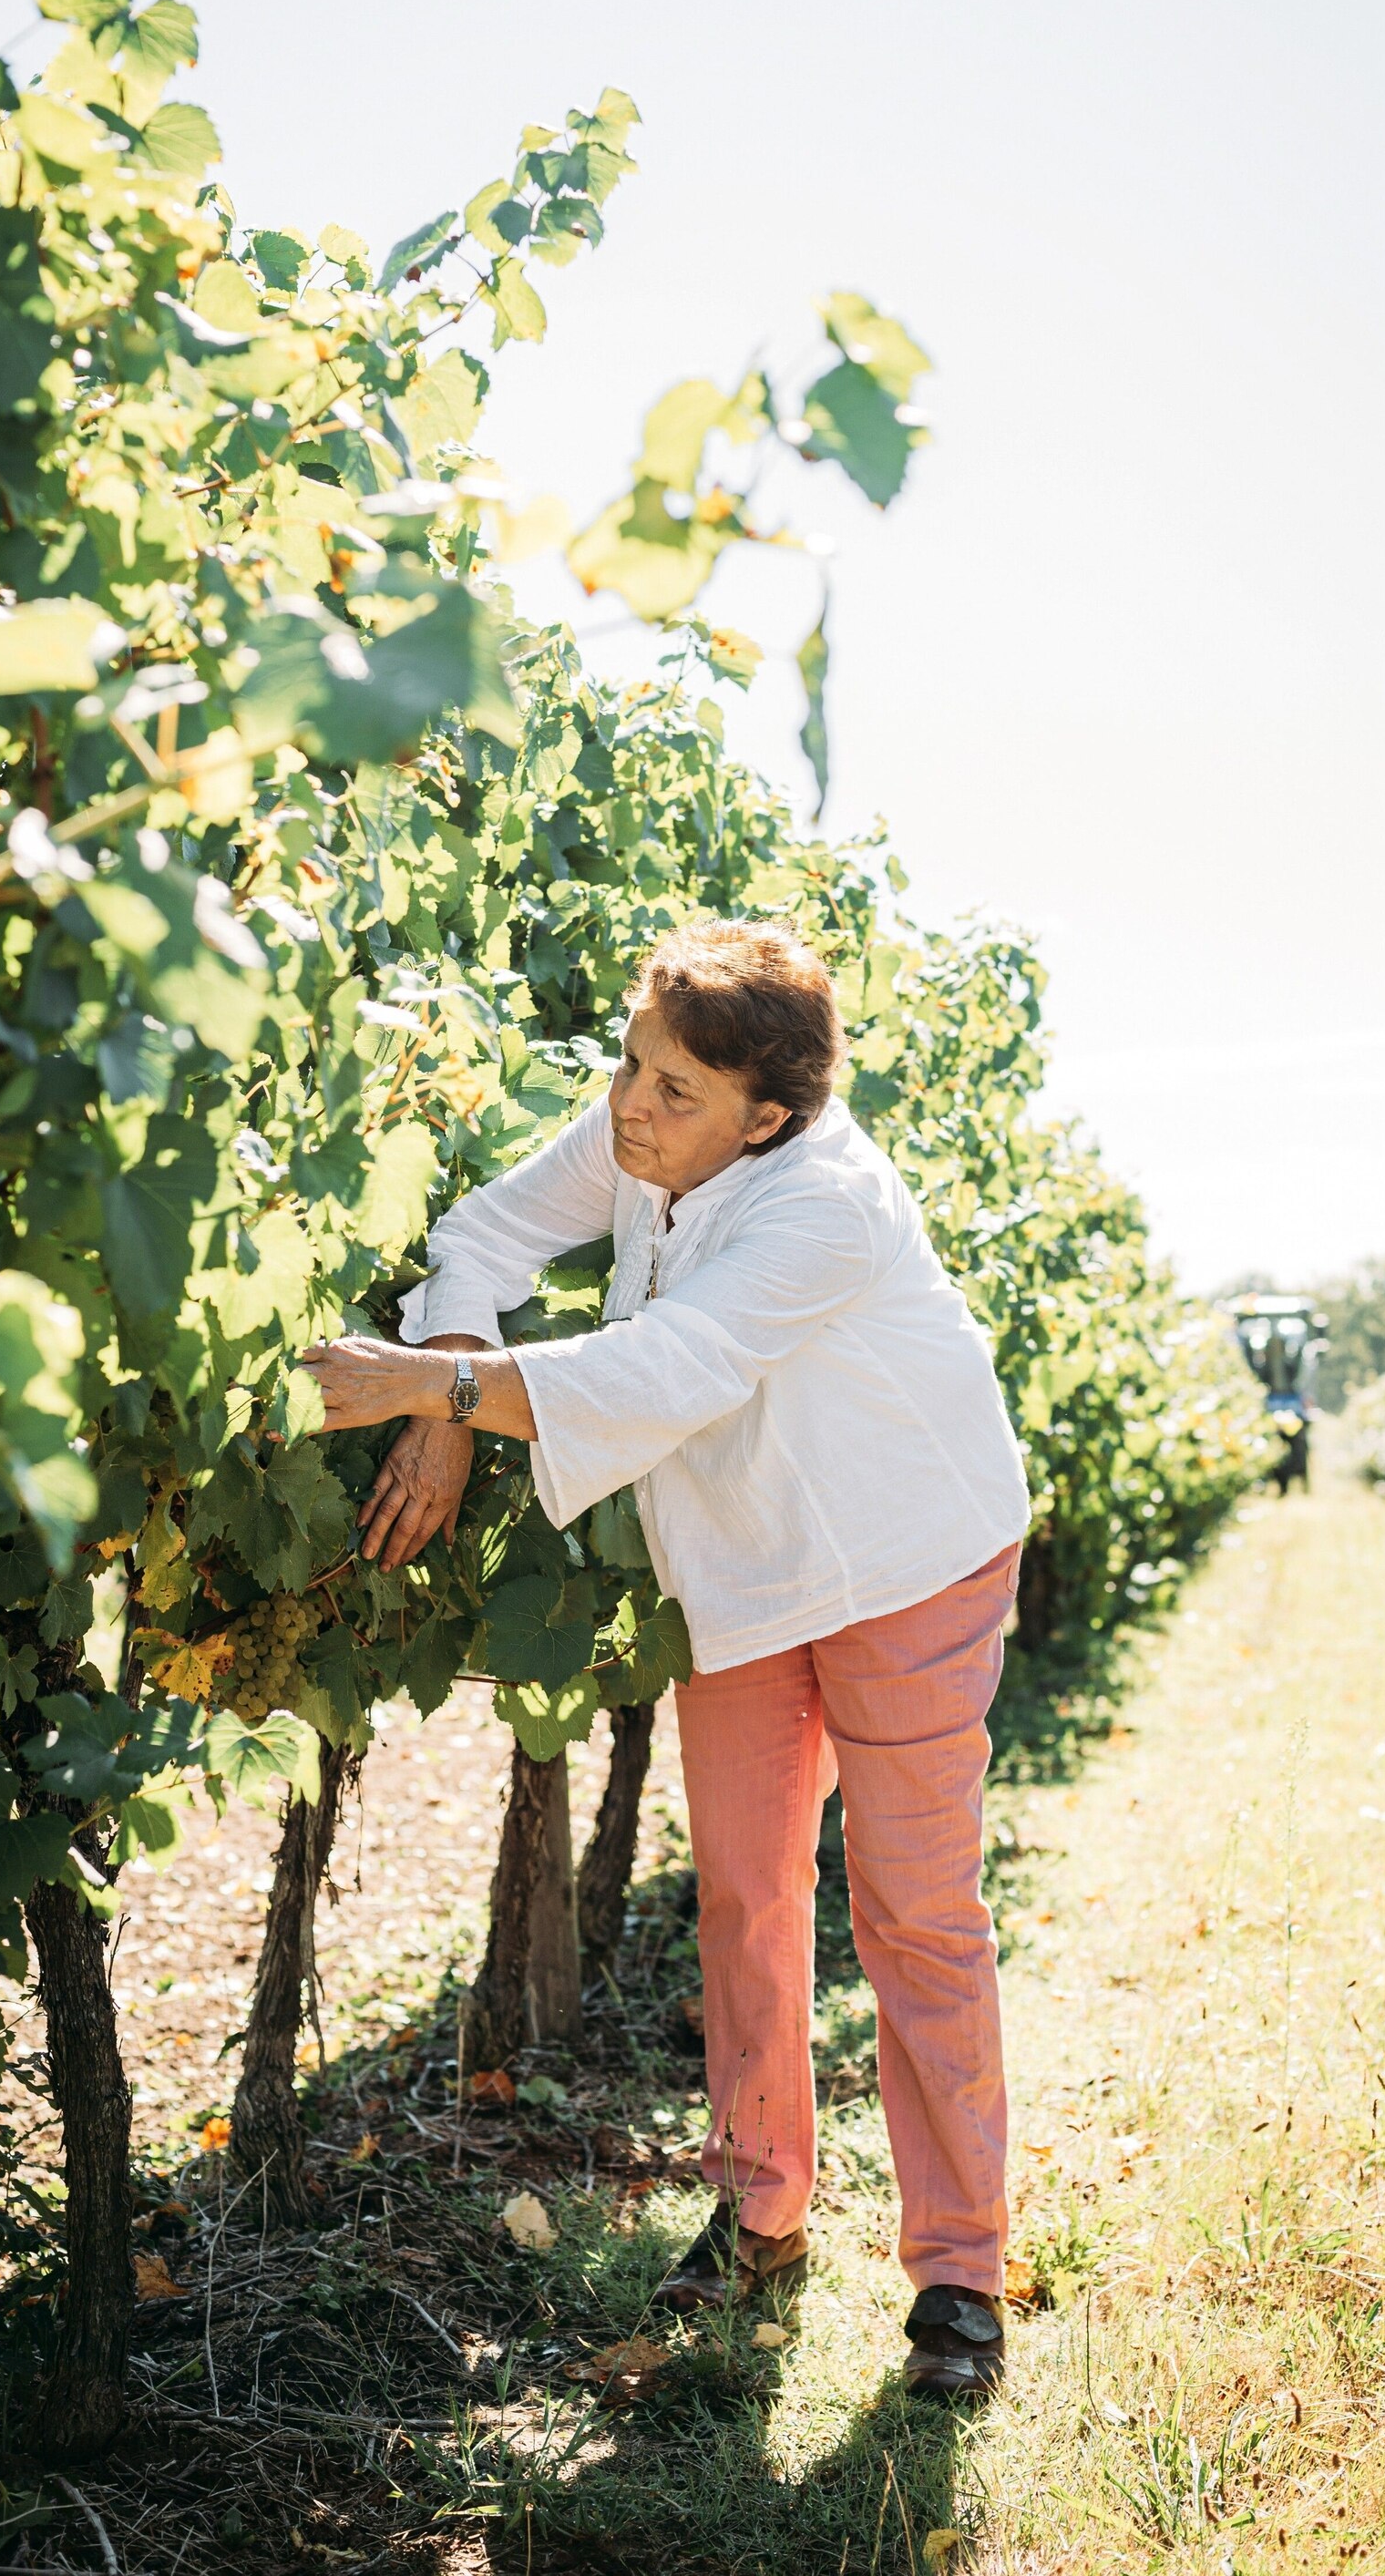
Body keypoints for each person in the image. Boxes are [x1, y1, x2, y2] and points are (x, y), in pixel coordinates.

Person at [301, 919, 1031, 2398]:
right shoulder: (647, 1129)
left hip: (909, 1557)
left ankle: (959, 2268)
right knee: (748, 1894)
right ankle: (761, 2209)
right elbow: (488, 1231)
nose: (632, 1107)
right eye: (632, 1066)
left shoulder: (824, 1204)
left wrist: (417, 1379)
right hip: (751, 1573)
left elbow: (670, 1370)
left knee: (914, 1915)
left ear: (768, 1115)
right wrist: (448, 1406)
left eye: (675, 1091)